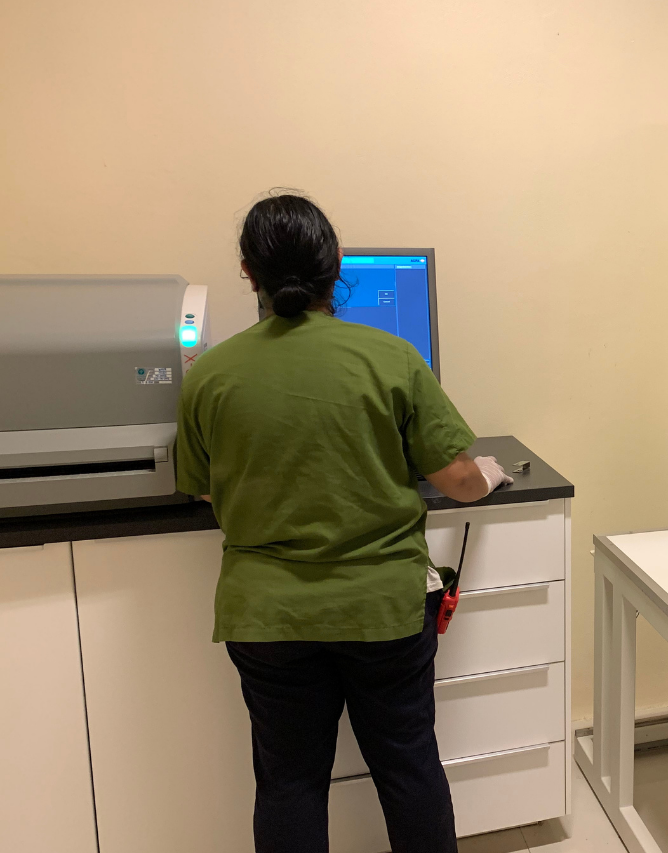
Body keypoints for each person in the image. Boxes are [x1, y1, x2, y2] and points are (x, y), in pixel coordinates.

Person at [175, 192, 512, 853]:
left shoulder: (208, 377)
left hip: (270, 620)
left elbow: (209, 494)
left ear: (249, 272)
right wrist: (491, 474)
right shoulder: (390, 359)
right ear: (335, 267)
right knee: (408, 763)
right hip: (383, 611)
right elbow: (459, 482)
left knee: (290, 782)